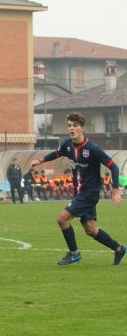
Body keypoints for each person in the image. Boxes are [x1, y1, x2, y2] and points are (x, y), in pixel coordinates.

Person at [30, 112, 125, 266]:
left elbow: (113, 167)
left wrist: (115, 191)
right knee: (90, 229)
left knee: (62, 218)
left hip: (89, 194)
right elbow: (57, 153)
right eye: (69, 126)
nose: (72, 129)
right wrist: (40, 160)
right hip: (80, 194)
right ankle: (119, 248)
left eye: (75, 126)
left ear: (82, 128)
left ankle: (74, 254)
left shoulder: (92, 148)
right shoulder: (68, 145)